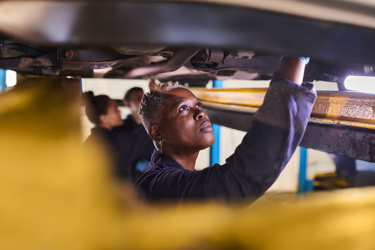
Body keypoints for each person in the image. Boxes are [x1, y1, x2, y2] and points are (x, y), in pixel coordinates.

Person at [135, 57, 317, 204]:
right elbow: (240, 179)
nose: (200, 113)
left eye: (198, 104)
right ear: (157, 133)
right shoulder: (160, 186)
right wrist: (294, 60)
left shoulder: (164, 178)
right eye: (183, 108)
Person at [110, 87, 154, 182]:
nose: (143, 100)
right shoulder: (120, 130)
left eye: (144, 96)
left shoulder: (156, 127)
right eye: (138, 98)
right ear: (127, 104)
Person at [82, 91, 123, 160]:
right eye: (115, 110)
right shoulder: (109, 140)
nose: (119, 111)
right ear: (103, 118)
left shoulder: (90, 140)